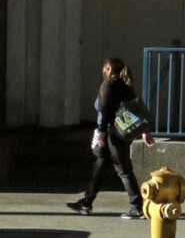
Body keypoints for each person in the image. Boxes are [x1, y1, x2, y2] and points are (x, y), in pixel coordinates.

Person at [66, 57, 156, 220]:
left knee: (123, 170)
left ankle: (137, 207)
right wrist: (144, 131)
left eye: (104, 69)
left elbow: (105, 110)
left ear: (108, 70)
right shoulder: (126, 87)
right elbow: (136, 109)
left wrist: (101, 132)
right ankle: (86, 203)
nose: (102, 72)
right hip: (122, 133)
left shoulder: (108, 85)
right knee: (101, 165)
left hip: (111, 134)